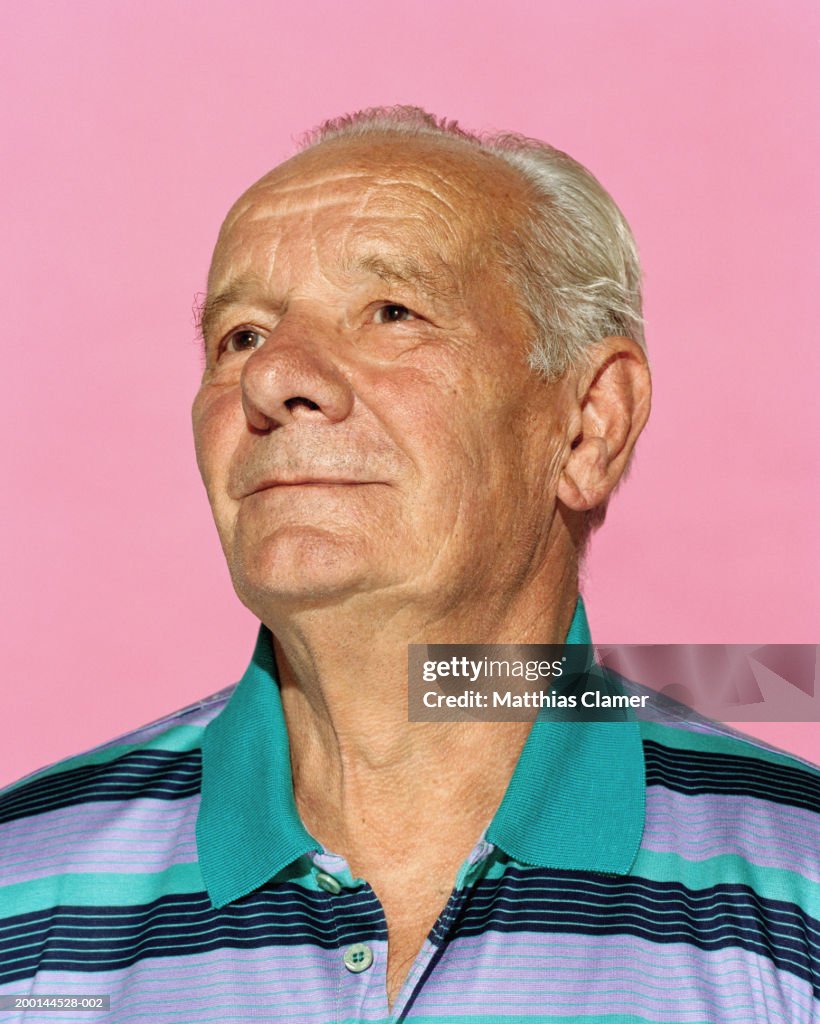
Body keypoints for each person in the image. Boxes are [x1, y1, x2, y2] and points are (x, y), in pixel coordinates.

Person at [0, 107, 817, 1023]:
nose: (273, 377)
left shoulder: (800, 896)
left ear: (588, 424)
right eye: (241, 336)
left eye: (392, 312)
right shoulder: (18, 893)